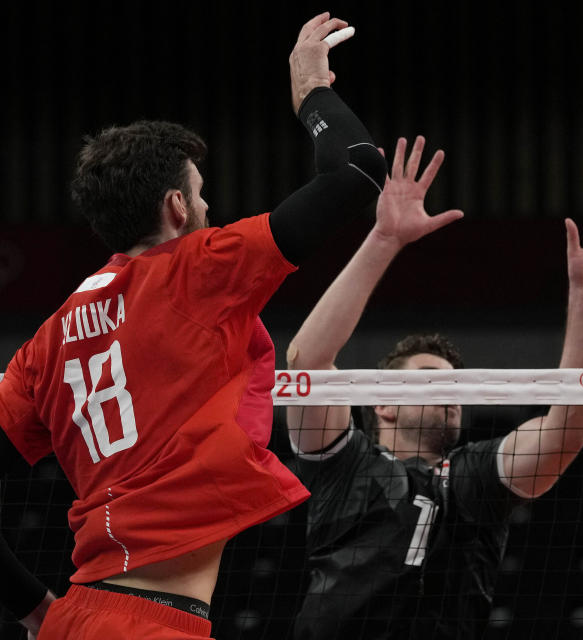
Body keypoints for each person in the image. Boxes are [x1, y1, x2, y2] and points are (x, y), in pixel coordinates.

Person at [0, 12, 386, 639]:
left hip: (76, 617)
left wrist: (36, 612)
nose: (210, 207)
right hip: (151, 624)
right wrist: (312, 89)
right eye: (201, 194)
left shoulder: (46, 341)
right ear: (177, 206)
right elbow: (358, 169)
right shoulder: (197, 270)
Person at [284, 136, 583, 639]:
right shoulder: (341, 463)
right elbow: (306, 362)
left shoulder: (476, 477)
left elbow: (564, 432)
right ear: (384, 406)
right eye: (427, 381)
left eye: (454, 385)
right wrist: (383, 238)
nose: (449, 394)